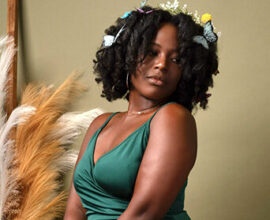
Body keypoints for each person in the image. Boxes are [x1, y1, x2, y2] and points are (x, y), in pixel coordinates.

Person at [64, 3, 218, 220]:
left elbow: (143, 214)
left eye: (176, 59)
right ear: (126, 54)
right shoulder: (100, 124)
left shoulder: (173, 118)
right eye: (152, 52)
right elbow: (75, 211)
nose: (161, 64)